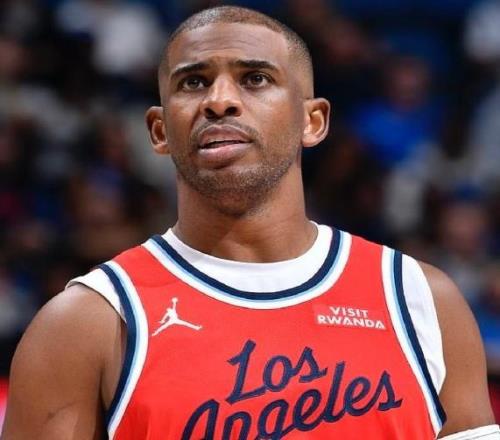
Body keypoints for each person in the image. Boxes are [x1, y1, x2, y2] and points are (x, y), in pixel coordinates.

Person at [1, 6, 498, 440]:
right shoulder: (85, 324)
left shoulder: (421, 300)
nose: (219, 100)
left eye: (255, 78)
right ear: (159, 130)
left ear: (312, 121)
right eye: (193, 82)